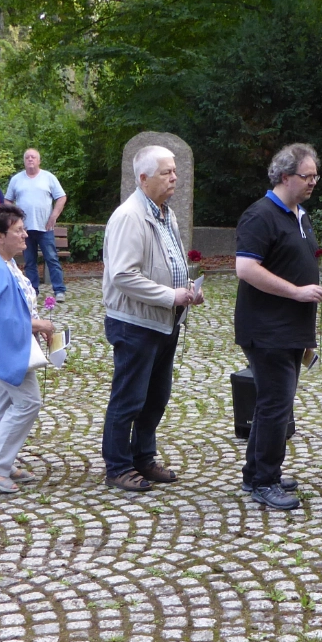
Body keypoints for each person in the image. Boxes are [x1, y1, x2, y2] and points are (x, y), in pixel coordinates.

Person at [99, 145, 204, 492]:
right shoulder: (130, 216)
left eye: (174, 171)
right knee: (129, 397)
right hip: (134, 323)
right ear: (143, 178)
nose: (174, 177)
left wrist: (188, 288)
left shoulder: (166, 214)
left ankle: (143, 457)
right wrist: (170, 296)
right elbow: (123, 276)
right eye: (166, 172)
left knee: (156, 395)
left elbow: (169, 265)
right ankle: (117, 466)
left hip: (164, 320)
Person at [233, 143, 322, 511]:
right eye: (307, 176)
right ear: (285, 176)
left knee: (274, 404)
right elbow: (246, 269)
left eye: (316, 176)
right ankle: (263, 481)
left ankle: (255, 471)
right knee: (275, 406)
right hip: (266, 329)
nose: (313, 182)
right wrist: (297, 292)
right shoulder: (261, 215)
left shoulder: (299, 214)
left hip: (291, 330)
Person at [0, 202, 53, 494]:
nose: (25, 236)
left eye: (23, 229)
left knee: (3, 405)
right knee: (29, 402)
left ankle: (4, 461)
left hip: (10, 347)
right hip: (6, 350)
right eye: (18, 231)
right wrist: (40, 325)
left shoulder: (3, 261)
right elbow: (4, 320)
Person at [3, 148, 68, 302]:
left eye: (33, 157)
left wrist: (54, 215)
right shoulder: (16, 179)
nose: (30, 159)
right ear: (24, 161)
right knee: (30, 261)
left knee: (51, 258)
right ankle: (33, 290)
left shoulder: (48, 177)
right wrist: (13, 218)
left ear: (39, 160)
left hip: (45, 227)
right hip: (23, 229)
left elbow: (61, 197)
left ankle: (59, 290)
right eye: (27, 157)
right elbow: (7, 200)